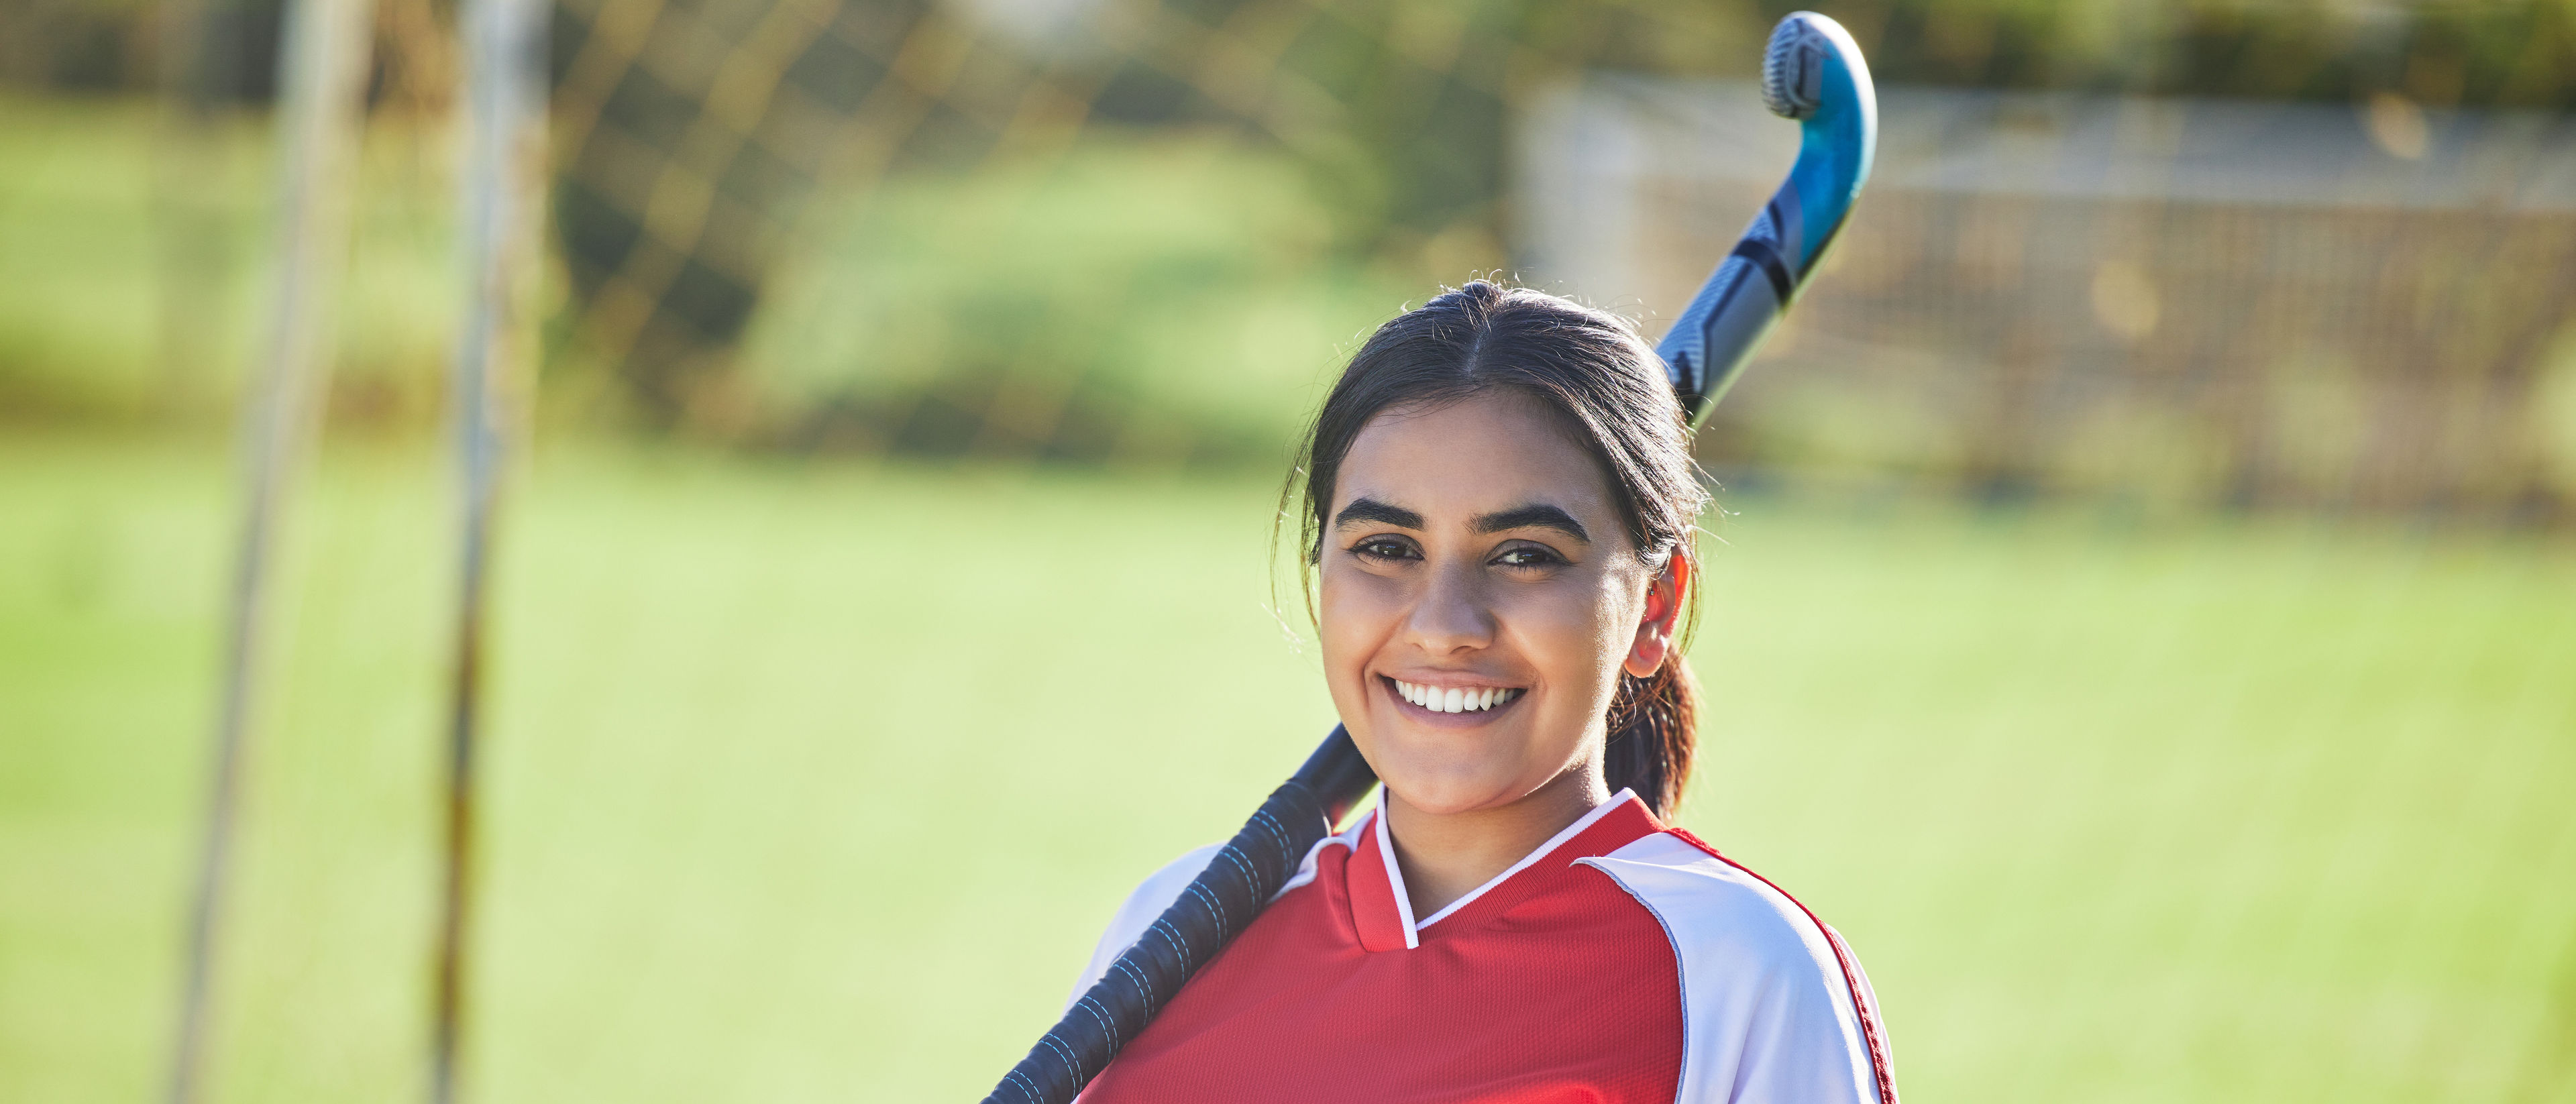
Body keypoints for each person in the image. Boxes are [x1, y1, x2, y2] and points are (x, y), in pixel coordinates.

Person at [1068, 280, 1896, 1104]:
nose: (1444, 624)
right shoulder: (1179, 924)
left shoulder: (1739, 969)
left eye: (1523, 554)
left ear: (1654, 609)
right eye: (1388, 547)